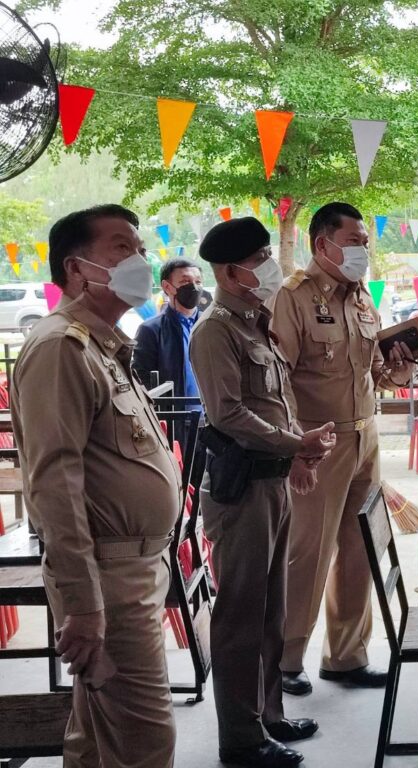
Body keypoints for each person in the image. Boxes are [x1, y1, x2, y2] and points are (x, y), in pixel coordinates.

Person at [11, 204, 182, 766]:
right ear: (77, 268)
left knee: (100, 740)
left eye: (140, 248)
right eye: (122, 248)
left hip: (133, 570)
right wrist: (84, 606)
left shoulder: (101, 344)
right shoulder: (61, 347)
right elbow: (54, 487)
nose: (140, 259)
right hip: (109, 581)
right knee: (144, 742)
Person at [190, 217, 337, 768]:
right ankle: (241, 738)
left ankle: (268, 716)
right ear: (231, 273)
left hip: (272, 481)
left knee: (271, 612)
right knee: (241, 617)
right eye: (259, 260)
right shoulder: (215, 331)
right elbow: (227, 414)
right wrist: (296, 443)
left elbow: (279, 402)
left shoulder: (256, 323)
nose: (270, 267)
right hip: (242, 489)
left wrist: (298, 451)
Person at [269, 202, 413, 696]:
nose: (363, 251)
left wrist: (399, 368)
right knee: (308, 553)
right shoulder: (293, 297)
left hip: (365, 438)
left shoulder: (362, 298)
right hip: (318, 443)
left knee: (359, 549)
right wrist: (295, 447)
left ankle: (346, 656)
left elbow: (375, 373)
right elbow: (278, 381)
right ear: (322, 244)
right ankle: (286, 658)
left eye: (365, 243)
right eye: (354, 242)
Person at [132, 258, 205, 402]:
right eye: (185, 281)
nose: (194, 287)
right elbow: (141, 379)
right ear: (167, 287)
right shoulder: (151, 330)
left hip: (212, 413)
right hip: (173, 412)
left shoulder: (211, 326)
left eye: (198, 282)